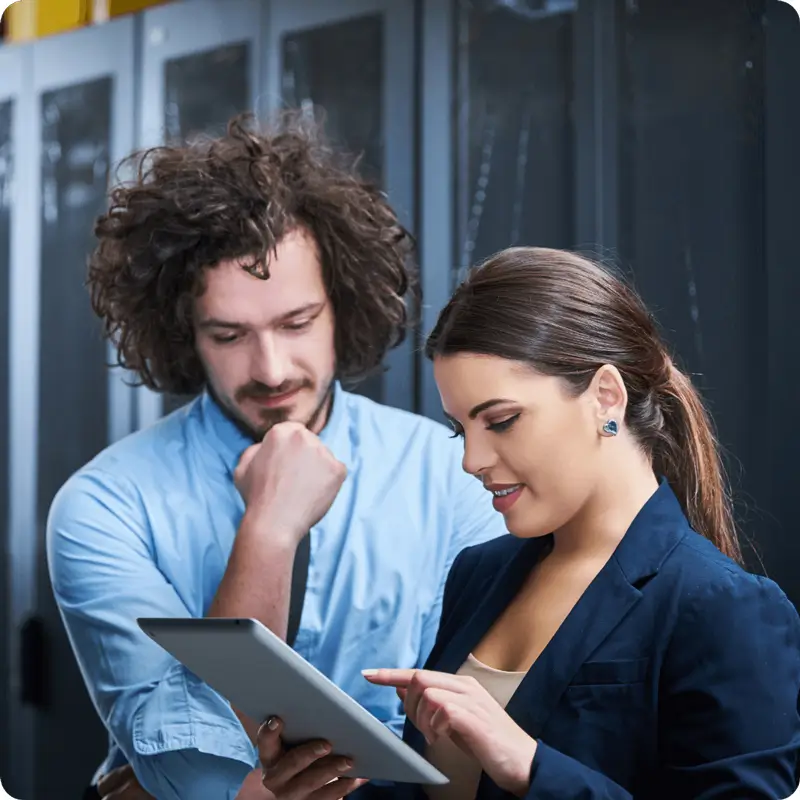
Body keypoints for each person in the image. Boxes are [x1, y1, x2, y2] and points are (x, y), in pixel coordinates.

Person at [46, 114, 507, 800]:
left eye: (297, 323)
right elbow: (189, 766)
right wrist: (268, 529)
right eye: (229, 334)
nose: (270, 368)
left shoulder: (452, 474)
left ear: (341, 306)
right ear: (183, 330)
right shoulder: (104, 505)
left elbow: (489, 738)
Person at [258, 246, 800, 799]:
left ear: (605, 398)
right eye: (459, 429)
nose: (471, 460)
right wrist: (333, 788)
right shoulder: (480, 572)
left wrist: (527, 764)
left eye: (502, 420)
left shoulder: (723, 607)